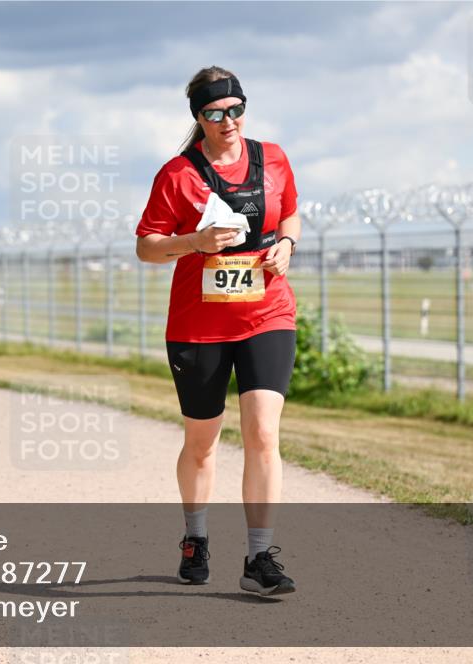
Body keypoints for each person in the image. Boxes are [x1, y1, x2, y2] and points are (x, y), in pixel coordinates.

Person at [135, 66, 301, 596]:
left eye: (235, 109)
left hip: (267, 314)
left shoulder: (272, 158)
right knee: (202, 445)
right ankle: (196, 536)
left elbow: (291, 214)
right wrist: (195, 242)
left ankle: (259, 556)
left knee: (263, 432)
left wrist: (287, 246)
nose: (228, 120)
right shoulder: (177, 175)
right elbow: (147, 246)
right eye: (214, 112)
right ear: (198, 117)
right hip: (198, 326)